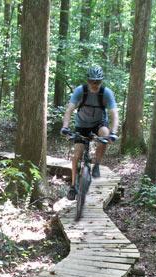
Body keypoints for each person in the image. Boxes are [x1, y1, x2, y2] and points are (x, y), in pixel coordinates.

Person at [61, 66, 118, 200]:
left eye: (98, 82)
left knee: (105, 133)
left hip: (99, 123)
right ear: (88, 81)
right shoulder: (80, 91)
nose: (95, 84)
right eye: (92, 81)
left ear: (101, 81)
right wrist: (65, 127)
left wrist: (114, 132)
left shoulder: (106, 93)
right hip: (81, 125)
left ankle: (97, 164)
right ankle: (73, 186)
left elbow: (114, 113)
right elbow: (69, 109)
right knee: (76, 155)